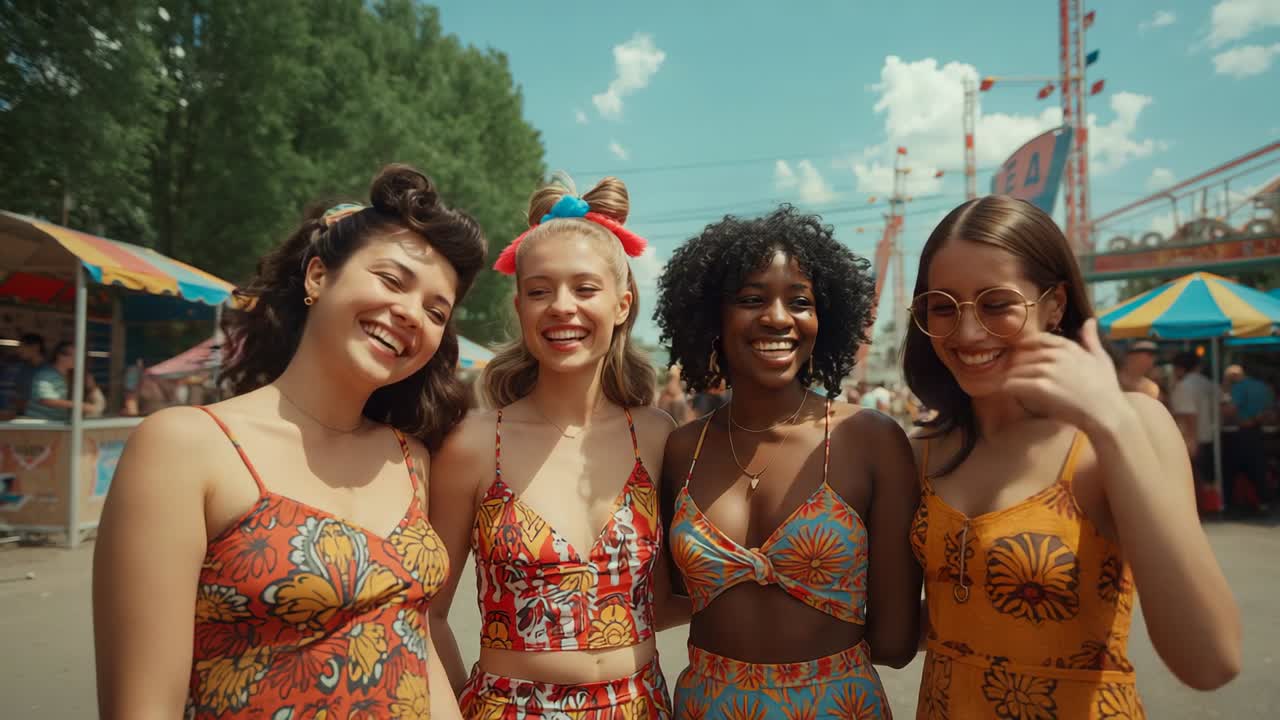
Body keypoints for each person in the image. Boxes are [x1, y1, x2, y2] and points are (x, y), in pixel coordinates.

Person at [93, 164, 486, 719]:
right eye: (392, 280)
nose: (409, 313)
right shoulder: (186, 447)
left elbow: (413, 641)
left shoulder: (410, 459)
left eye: (435, 311)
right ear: (317, 277)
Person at [904, 196, 1241, 718]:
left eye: (996, 303)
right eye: (943, 307)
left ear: (1055, 304)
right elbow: (910, 629)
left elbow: (1211, 661)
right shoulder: (920, 451)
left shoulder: (1129, 425)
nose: (967, 333)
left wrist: (1111, 424)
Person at [429, 173, 681, 719]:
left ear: (622, 304)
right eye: (540, 291)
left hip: (641, 705)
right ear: (519, 306)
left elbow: (669, 597)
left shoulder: (658, 436)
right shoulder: (473, 443)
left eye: (585, 289)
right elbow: (428, 613)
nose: (562, 306)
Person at [655, 205, 921, 717]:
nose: (778, 317)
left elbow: (895, 642)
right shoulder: (680, 449)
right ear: (711, 317)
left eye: (800, 301)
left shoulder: (870, 439)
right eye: (751, 299)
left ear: (826, 319)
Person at [1223, 363, 1274, 511]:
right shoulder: (1265, 387)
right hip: (1258, 431)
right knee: (1258, 467)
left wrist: (1226, 387)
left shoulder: (1238, 387)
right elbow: (1269, 411)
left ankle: (1229, 501)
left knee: (1231, 468)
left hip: (1240, 432)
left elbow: (1230, 411)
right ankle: (1264, 500)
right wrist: (1256, 419)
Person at [1171, 352, 1217, 491]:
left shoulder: (1184, 386)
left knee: (1194, 484)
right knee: (1207, 481)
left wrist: (1192, 441)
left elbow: (1189, 415)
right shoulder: (1209, 383)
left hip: (1193, 441)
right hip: (1210, 437)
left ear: (1180, 368)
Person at [24, 341, 75, 422]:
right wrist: (81, 406)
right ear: (60, 356)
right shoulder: (45, 375)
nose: (78, 359)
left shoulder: (72, 376)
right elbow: (46, 399)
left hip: (58, 422)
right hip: (39, 423)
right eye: (73, 355)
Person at [14, 333, 45, 415]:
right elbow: (18, 392)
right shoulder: (23, 368)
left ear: (35, 347)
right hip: (22, 414)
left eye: (22, 347)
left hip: (41, 416)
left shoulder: (49, 371)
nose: (18, 351)